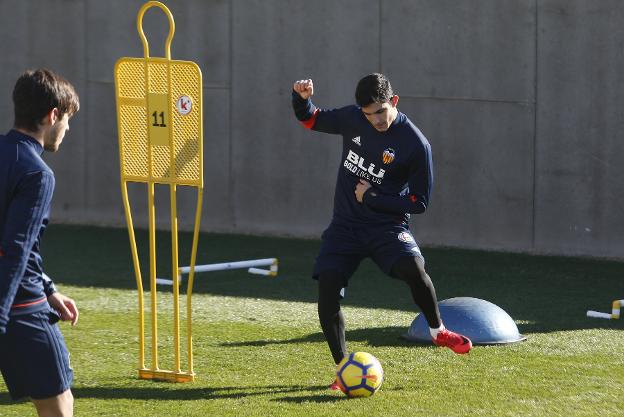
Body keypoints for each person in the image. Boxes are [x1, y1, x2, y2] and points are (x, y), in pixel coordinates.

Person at [291, 73, 472, 388]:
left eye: (381, 111)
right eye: (368, 114)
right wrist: (301, 98)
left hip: (386, 226)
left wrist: (373, 197)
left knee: (415, 269)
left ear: (394, 102)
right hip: (345, 227)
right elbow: (310, 120)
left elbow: (419, 202)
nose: (376, 120)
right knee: (328, 288)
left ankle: (438, 331)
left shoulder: (416, 144)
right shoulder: (352, 119)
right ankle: (344, 368)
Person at [0, 69, 80, 417]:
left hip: (21, 300)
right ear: (52, 115)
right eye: (67, 119)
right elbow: (15, 250)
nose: (67, 129)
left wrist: (49, 288)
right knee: (59, 407)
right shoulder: (37, 173)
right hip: (19, 310)